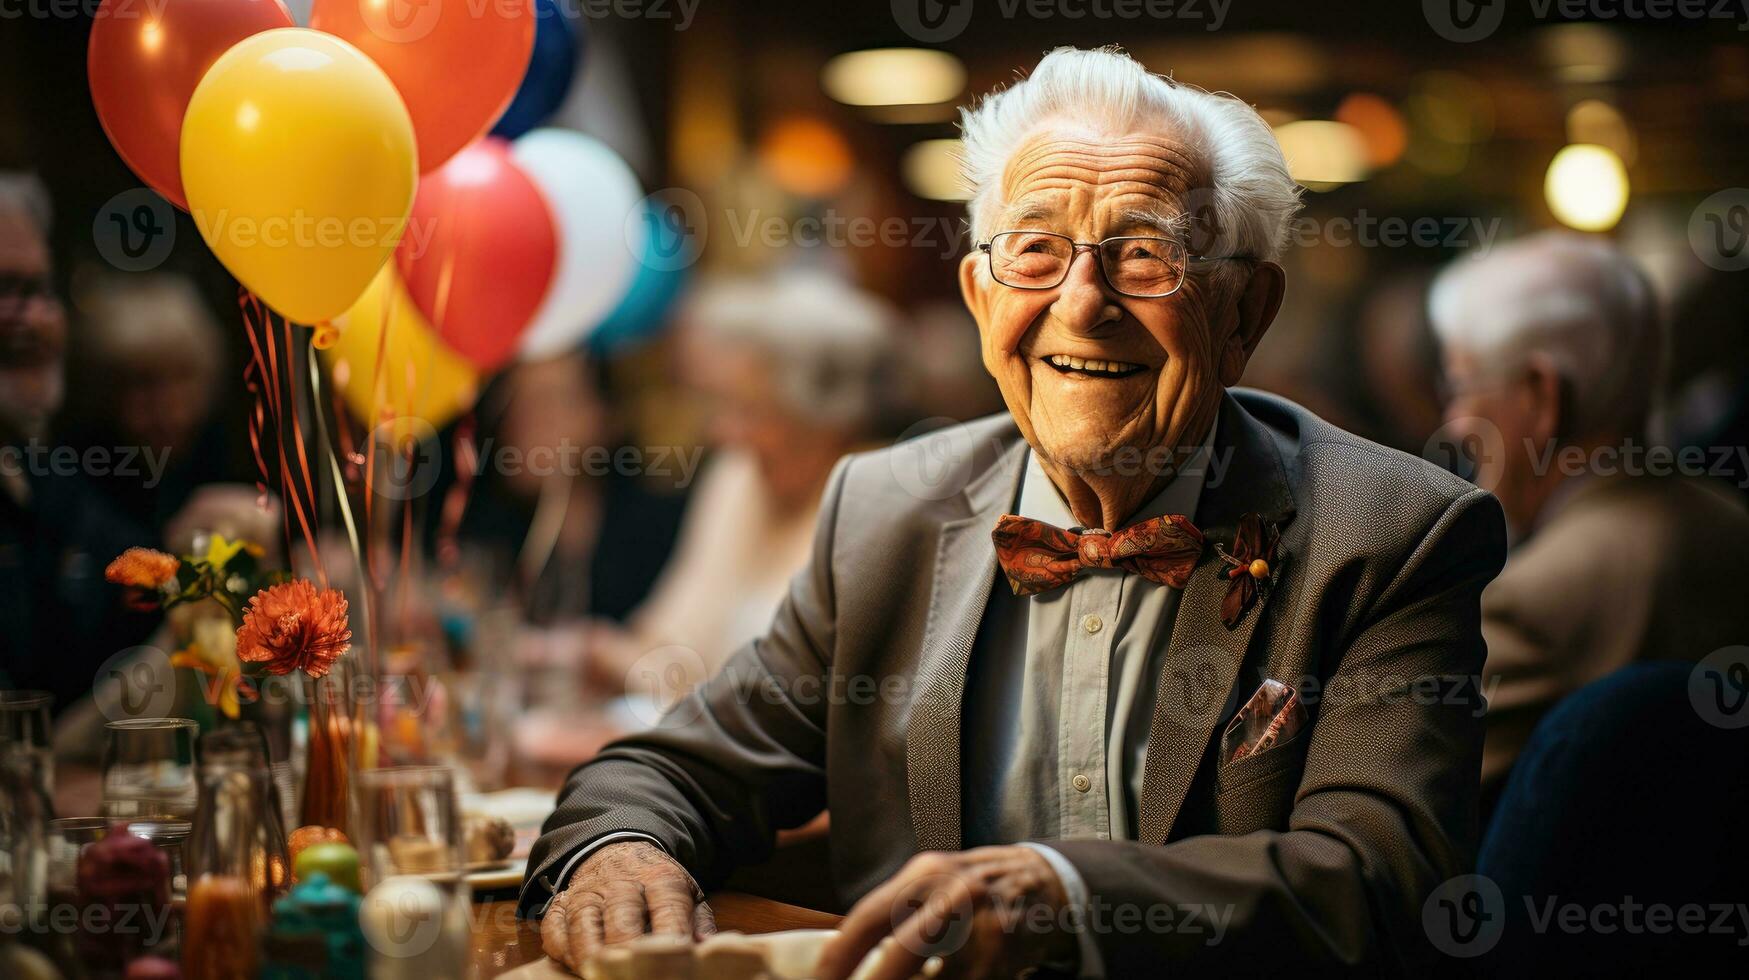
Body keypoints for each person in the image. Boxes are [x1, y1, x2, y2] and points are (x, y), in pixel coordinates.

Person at [524, 47, 1506, 977]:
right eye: (1035, 251)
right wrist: (617, 848)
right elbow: (674, 767)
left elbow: (1380, 881)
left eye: (1145, 254)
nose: (1082, 303)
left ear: (1245, 312)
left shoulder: (1393, 532)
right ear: (979, 294)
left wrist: (1069, 896)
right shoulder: (883, 513)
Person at [1429, 231, 1749, 803]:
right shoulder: (1730, 523)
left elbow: (1408, 802)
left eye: (1461, 386)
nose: (1454, 424)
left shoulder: (1535, 599)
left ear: (1539, 395)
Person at [583, 269, 899, 693]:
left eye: (751, 411)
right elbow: (673, 638)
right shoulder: (738, 476)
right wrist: (598, 652)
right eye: (723, 405)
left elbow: (809, 702)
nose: (723, 431)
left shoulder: (880, 502)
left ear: (825, 418)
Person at [0, 173, 156, 711]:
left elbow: (134, 595)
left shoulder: (36, 471)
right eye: (4, 291)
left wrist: (206, 570)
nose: (33, 320)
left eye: (40, 291)